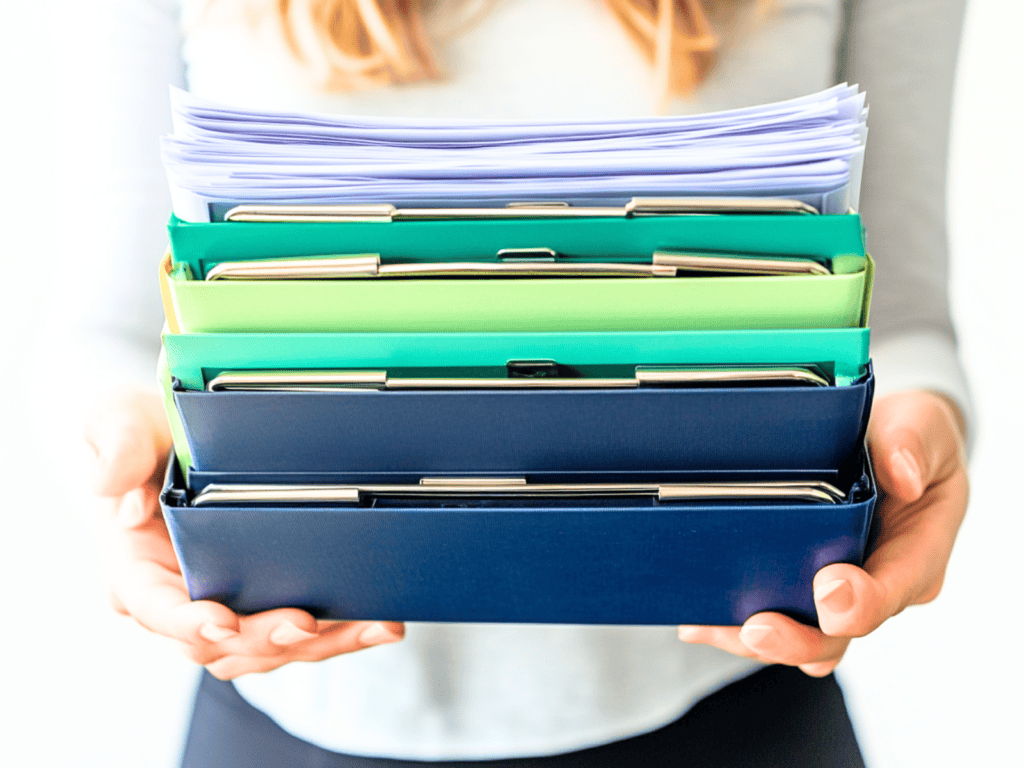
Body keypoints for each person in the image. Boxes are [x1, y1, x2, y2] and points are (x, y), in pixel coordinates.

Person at [44, 0, 971, 765]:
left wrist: (916, 433)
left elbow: (893, 308)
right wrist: (122, 473)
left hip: (739, 706)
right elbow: (128, 325)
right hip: (290, 714)